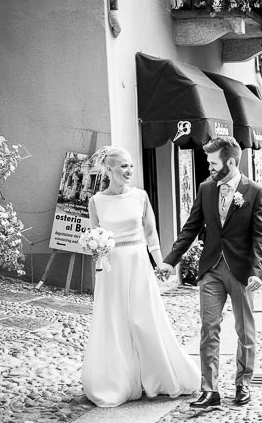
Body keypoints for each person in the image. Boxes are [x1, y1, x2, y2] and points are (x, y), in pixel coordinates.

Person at [82, 146, 199, 408]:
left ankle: (158, 378)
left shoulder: (140, 196)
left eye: (131, 166)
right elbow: (95, 235)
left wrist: (161, 265)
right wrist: (95, 248)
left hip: (137, 264)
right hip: (111, 269)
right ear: (109, 169)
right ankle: (118, 380)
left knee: (143, 320)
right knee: (115, 323)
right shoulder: (96, 201)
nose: (128, 170)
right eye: (123, 166)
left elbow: (151, 235)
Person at [164, 137, 262, 409]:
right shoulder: (206, 189)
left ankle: (242, 384)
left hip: (241, 271)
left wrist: (257, 271)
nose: (209, 167)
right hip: (211, 268)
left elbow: (261, 236)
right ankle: (209, 390)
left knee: (244, 330)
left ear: (231, 162)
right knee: (208, 328)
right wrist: (170, 261)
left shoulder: (255, 191)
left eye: (214, 163)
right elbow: (190, 228)